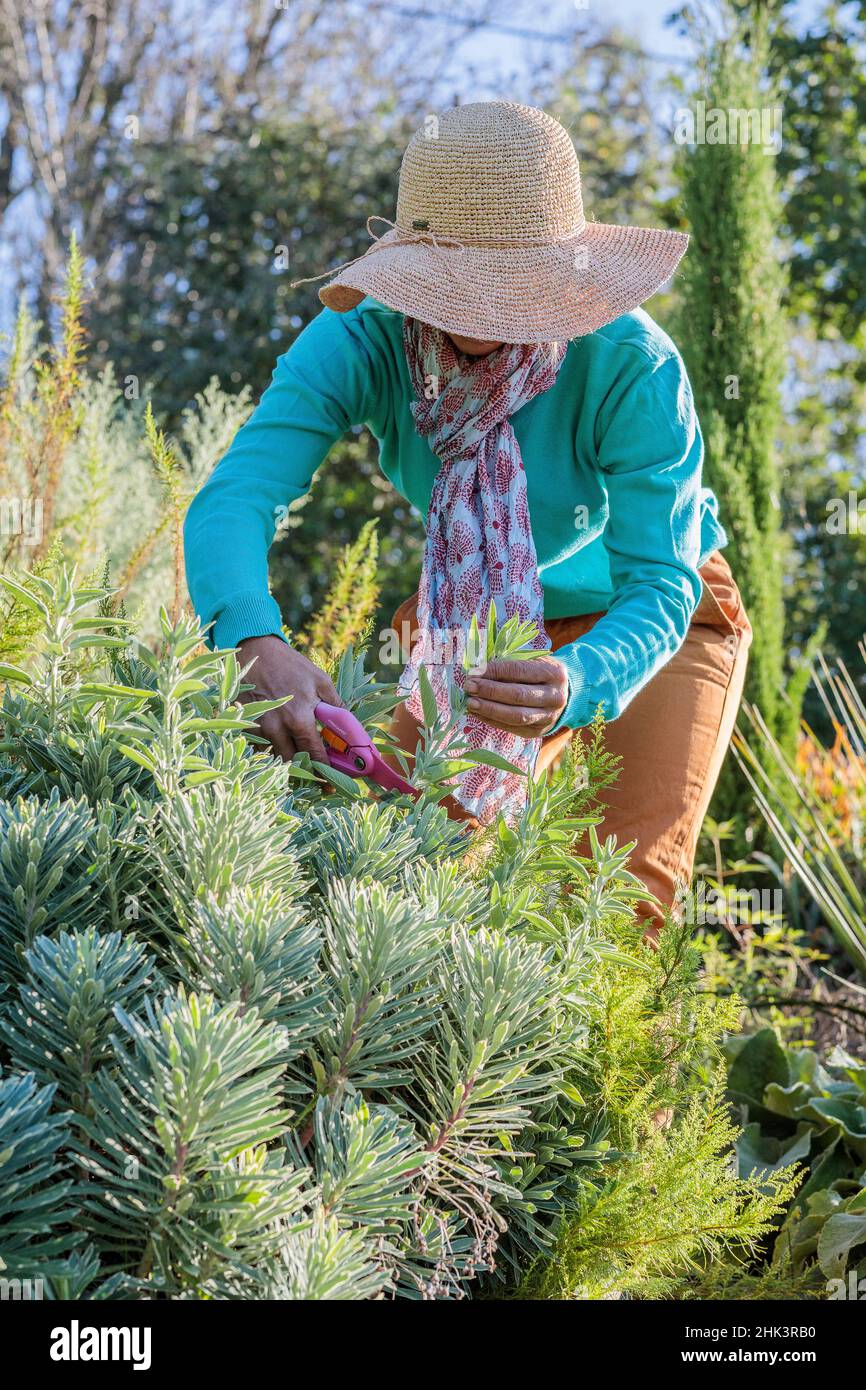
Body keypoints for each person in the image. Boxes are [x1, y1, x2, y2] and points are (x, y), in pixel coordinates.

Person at [184, 100, 752, 938]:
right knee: (398, 872)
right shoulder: (359, 343)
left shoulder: (632, 364)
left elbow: (659, 580)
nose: (481, 317)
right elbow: (236, 497)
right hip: (470, 621)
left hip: (653, 631)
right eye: (455, 291)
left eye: (511, 289)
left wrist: (584, 678)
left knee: (617, 909)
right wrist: (253, 641)